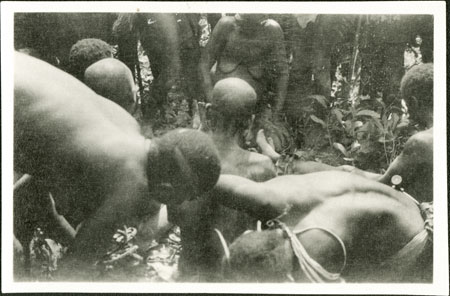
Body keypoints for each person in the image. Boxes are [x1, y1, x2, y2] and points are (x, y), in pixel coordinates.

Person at [14, 52, 221, 277]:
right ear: (168, 189)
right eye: (184, 198)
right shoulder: (130, 183)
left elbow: (38, 180)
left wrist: (81, 244)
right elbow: (74, 268)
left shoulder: (126, 123)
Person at [212, 170, 433, 283]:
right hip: (406, 204)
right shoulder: (272, 193)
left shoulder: (313, 253)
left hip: (421, 238)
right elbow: (218, 182)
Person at [169, 78, 277, 281]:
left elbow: (175, 217)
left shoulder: (182, 156)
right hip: (234, 278)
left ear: (208, 112)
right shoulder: (260, 167)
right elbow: (271, 228)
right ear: (249, 121)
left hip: (190, 275)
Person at [203, 13, 290, 152]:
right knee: (209, 146)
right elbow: (204, 65)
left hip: (253, 110)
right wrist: (212, 102)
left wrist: (273, 116)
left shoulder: (272, 31)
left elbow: (282, 74)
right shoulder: (226, 25)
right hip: (222, 108)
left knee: (272, 144)